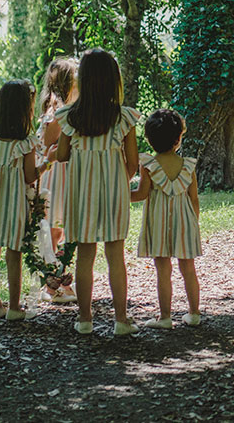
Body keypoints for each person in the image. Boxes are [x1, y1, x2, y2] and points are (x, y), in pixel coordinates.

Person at [55, 49, 142, 336]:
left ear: (84, 81)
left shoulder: (69, 118)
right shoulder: (123, 118)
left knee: (85, 257)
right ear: (113, 80)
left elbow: (64, 155)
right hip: (114, 194)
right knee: (115, 255)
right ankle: (120, 320)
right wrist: (116, 180)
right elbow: (132, 164)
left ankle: (84, 320)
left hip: (81, 194)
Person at [0, 79, 50, 320]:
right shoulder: (25, 144)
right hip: (13, 205)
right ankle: (14, 307)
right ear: (25, 111)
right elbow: (29, 176)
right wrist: (46, 164)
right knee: (14, 254)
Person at [130, 109, 202, 329]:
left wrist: (121, 194)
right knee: (188, 269)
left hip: (158, 223)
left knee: (163, 270)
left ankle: (165, 317)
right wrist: (193, 223)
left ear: (150, 139)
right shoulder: (188, 165)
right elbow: (194, 199)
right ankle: (194, 313)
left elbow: (141, 194)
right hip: (185, 223)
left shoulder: (149, 165)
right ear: (179, 138)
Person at [36, 56, 79, 303]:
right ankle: (51, 284)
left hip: (67, 175)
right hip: (55, 176)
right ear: (66, 84)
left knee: (63, 231)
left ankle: (60, 279)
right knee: (53, 231)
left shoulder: (68, 111)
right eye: (76, 80)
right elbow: (48, 147)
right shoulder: (57, 114)